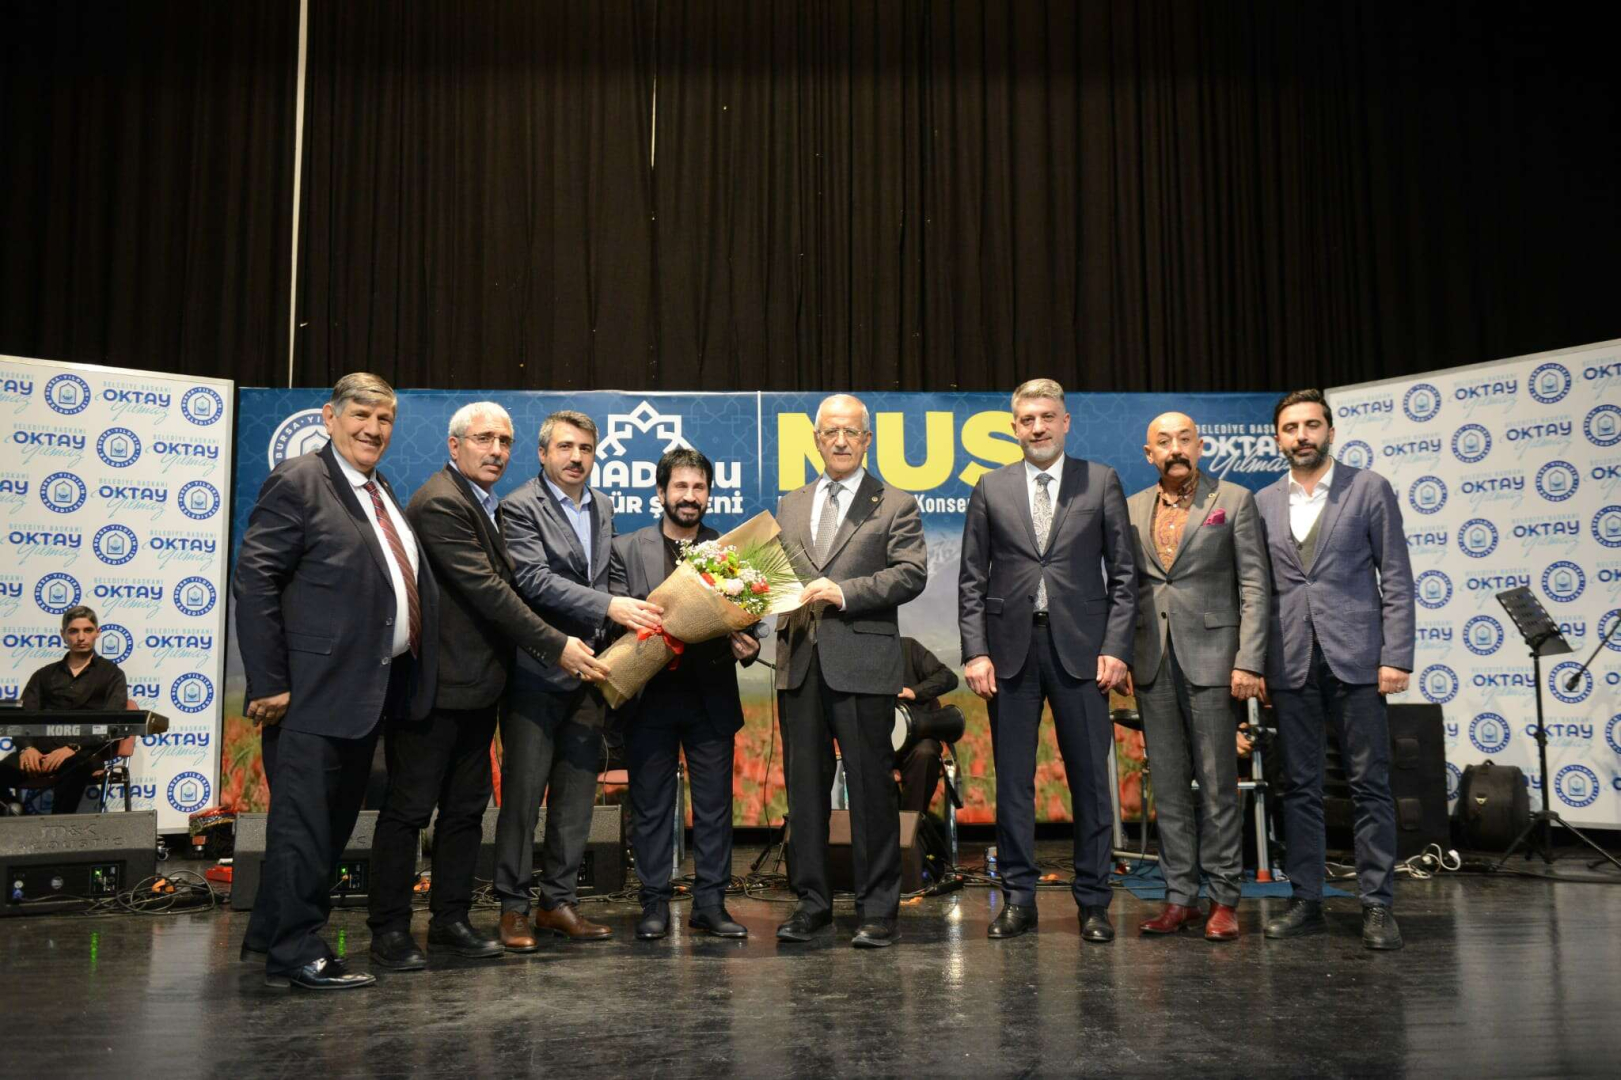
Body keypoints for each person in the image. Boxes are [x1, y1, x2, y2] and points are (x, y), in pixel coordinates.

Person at [233, 372, 440, 990]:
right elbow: (255, 580)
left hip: (364, 693)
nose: (373, 429)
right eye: (361, 415)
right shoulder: (300, 480)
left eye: (385, 419)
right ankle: (297, 952)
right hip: (310, 693)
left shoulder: (379, 488)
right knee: (305, 828)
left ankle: (270, 935)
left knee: (322, 827)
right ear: (329, 417)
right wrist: (269, 682)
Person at [366, 402, 589, 971]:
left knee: (465, 813)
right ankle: (389, 929)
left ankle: (450, 921)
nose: (496, 451)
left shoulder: (484, 502)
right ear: (454, 445)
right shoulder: (441, 502)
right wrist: (556, 644)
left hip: (477, 689)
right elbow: (489, 591)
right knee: (410, 812)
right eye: (484, 439)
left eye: (504, 441)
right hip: (435, 689)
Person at [959, 377, 1136, 943]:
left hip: (1084, 653)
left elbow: (1125, 577)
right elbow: (971, 580)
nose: (1037, 428)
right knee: (1014, 784)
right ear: (1014, 428)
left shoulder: (1101, 481)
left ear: (1065, 422)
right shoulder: (990, 487)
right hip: (1010, 653)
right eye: (1026, 419)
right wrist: (976, 651)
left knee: (1090, 783)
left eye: (1046, 417)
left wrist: (1116, 647)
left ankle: (1093, 902)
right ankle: (1018, 899)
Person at [1256, 389, 1413, 951]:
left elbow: (1397, 577)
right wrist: (1255, 661)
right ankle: (1306, 898)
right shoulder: (1263, 502)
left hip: (1359, 657)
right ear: (1278, 438)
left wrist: (1395, 656)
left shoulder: (1368, 488)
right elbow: (1258, 589)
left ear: (1330, 431)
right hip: (1289, 658)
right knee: (1299, 786)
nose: (1302, 436)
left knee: (1369, 783)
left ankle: (1377, 904)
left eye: (1311, 425)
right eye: (1291, 427)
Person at [496, 410, 660, 946]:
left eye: (586, 449)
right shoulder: (519, 506)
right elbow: (533, 580)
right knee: (523, 799)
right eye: (565, 447)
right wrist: (611, 605)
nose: (576, 458)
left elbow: (604, 577)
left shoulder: (603, 505)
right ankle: (513, 907)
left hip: (591, 673)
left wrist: (632, 616)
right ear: (543, 453)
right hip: (536, 671)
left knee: (575, 798)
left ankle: (558, 904)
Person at [774, 394, 927, 949]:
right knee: (805, 791)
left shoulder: (895, 503)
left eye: (851, 432)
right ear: (816, 439)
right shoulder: (790, 504)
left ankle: (877, 909)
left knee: (870, 790)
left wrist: (843, 593)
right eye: (830, 432)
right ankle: (812, 904)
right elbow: (777, 577)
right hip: (799, 663)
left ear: (867, 440)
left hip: (863, 663)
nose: (840, 440)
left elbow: (911, 573)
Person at [1125, 411, 1269, 942]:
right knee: (1167, 788)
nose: (1175, 449)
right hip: (1152, 661)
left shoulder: (1234, 500)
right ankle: (1179, 897)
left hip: (1214, 659)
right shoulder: (1131, 507)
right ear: (1150, 454)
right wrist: (1121, 653)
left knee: (1216, 786)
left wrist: (1249, 660)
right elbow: (1126, 589)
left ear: (1201, 446)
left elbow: (1254, 586)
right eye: (1163, 442)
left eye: (1184, 439)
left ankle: (1224, 898)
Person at [609, 447, 759, 942]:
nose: (690, 496)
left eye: (699, 488)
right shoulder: (626, 548)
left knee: (714, 808)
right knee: (651, 806)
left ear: (709, 494)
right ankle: (653, 902)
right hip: (649, 698)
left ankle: (710, 904)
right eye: (681, 487)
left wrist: (749, 643)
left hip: (710, 697)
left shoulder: (729, 551)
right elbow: (612, 622)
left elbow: (751, 619)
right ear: (661, 492)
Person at [1, 606, 129, 814]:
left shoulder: (112, 674)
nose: (81, 637)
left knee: (76, 766)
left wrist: (73, 747)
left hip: (83, 754)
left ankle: (57, 826)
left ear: (97, 633)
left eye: (88, 630)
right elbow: (22, 718)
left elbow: (112, 722)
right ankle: (17, 814)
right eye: (73, 631)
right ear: (63, 634)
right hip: (38, 754)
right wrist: (26, 748)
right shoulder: (44, 675)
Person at [893, 637, 959, 815]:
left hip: (916, 740)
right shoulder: (858, 657)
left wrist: (914, 692)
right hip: (876, 747)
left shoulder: (908, 647)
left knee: (926, 753)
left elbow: (948, 677)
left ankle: (912, 824)